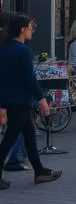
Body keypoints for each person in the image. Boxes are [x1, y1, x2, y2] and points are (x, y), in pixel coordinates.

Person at [0, 14, 63, 189]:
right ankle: (39, 171)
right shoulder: (23, 50)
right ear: (22, 29)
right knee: (10, 138)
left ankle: (40, 171)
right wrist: (41, 99)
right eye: (30, 28)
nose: (32, 31)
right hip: (20, 100)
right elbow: (29, 78)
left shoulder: (3, 48)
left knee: (29, 136)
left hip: (8, 99)